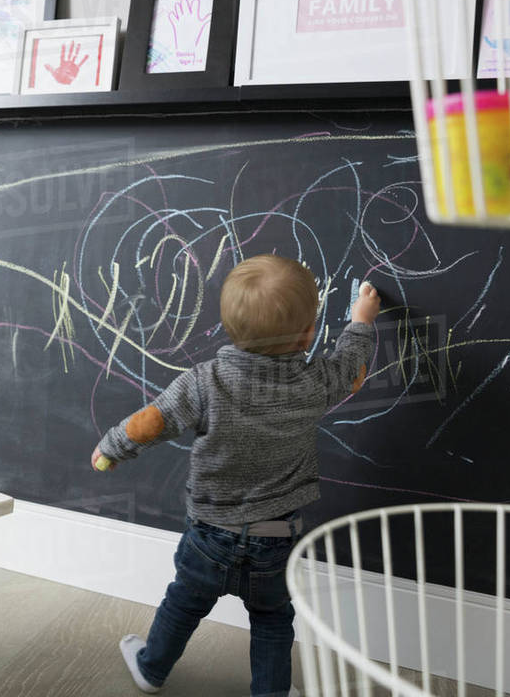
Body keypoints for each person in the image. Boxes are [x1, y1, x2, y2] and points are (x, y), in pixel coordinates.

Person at [91, 254, 380, 696]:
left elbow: (154, 420)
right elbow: (352, 369)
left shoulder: (204, 382)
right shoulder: (315, 382)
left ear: (230, 327)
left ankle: (151, 669)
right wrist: (361, 320)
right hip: (276, 537)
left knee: (184, 603)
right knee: (272, 620)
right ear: (307, 335)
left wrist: (111, 447)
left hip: (209, 535)